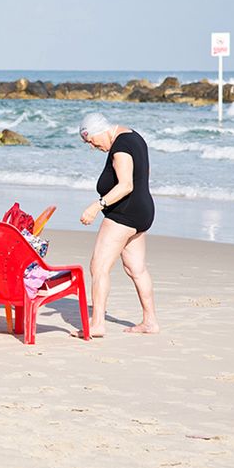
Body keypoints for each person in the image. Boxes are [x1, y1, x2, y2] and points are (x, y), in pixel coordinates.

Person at [79, 112, 159, 336]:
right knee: (136, 268)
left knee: (99, 267)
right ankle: (150, 322)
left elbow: (125, 186)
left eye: (91, 141)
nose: (92, 147)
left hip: (123, 215)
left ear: (99, 131)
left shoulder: (120, 147)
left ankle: (97, 324)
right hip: (142, 211)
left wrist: (97, 206)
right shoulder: (133, 137)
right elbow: (144, 173)